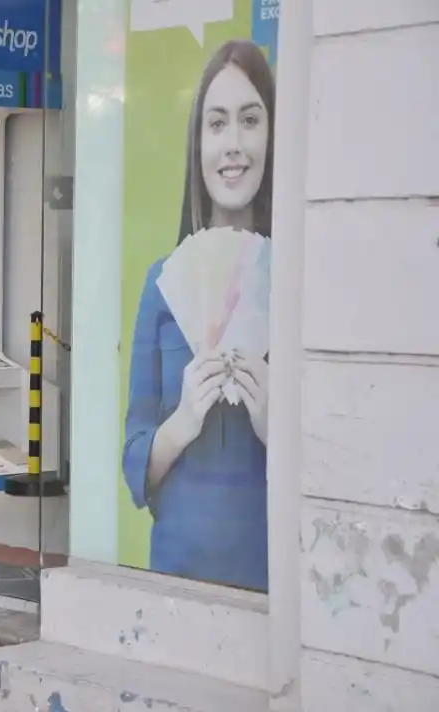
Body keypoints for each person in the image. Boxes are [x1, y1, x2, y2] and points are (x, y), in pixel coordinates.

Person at [122, 40, 275, 592]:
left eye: (250, 120)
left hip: (275, 577)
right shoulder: (164, 284)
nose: (233, 144)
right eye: (217, 123)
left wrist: (277, 430)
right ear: (199, 144)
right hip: (178, 576)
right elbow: (136, 462)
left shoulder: (301, 285)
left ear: (272, 135)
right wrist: (183, 421)